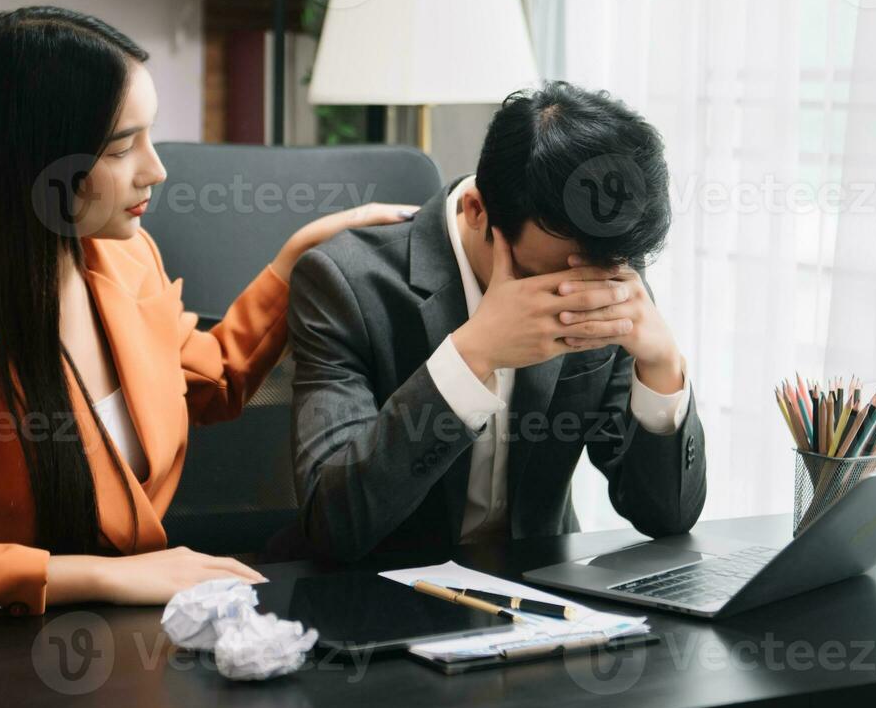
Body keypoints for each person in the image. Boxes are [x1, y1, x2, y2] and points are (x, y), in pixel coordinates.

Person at [0, 6, 414, 620]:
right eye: (122, 147)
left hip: (121, 646)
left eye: (150, 137)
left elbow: (207, 382)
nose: (155, 170)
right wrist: (106, 577)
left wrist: (295, 264)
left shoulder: (125, 261)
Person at [289, 81, 706, 561]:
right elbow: (330, 527)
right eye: (547, 278)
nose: (576, 298)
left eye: (599, 275)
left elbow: (667, 517)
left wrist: (662, 366)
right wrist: (471, 356)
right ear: (477, 211)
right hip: (381, 604)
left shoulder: (606, 276)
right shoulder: (344, 284)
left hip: (542, 599)